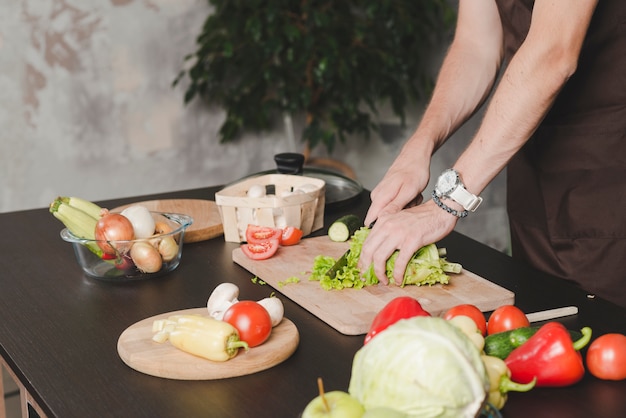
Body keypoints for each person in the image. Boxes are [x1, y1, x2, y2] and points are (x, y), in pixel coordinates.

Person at [358, 0, 626, 308]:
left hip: (607, 174)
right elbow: (476, 45)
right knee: (540, 317)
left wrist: (448, 201)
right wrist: (418, 146)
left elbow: (553, 54)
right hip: (533, 163)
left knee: (602, 330)